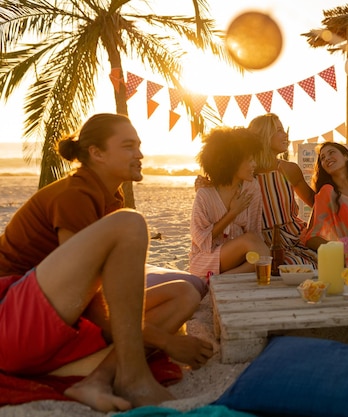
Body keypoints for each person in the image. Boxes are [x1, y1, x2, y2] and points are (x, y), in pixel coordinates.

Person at [0, 114, 213, 411]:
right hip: (12, 323)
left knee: (184, 292)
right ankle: (133, 376)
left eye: (138, 146)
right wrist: (166, 342)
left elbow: (104, 299)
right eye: (128, 146)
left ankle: (99, 378)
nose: (139, 154)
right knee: (129, 223)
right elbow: (93, 307)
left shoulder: (109, 197)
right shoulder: (76, 195)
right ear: (96, 153)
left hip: (54, 324)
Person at [189, 126, 269, 277]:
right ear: (233, 162)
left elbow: (254, 230)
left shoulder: (251, 188)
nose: (254, 165)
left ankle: (223, 279)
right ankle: (222, 279)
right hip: (207, 258)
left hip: (239, 258)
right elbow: (202, 240)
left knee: (263, 254)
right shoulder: (205, 194)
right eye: (250, 160)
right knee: (255, 247)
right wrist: (233, 213)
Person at [247, 113, 318, 266]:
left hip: (294, 239)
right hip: (260, 244)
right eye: (278, 130)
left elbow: (317, 204)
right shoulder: (246, 172)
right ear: (264, 135)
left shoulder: (288, 169)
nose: (285, 134)